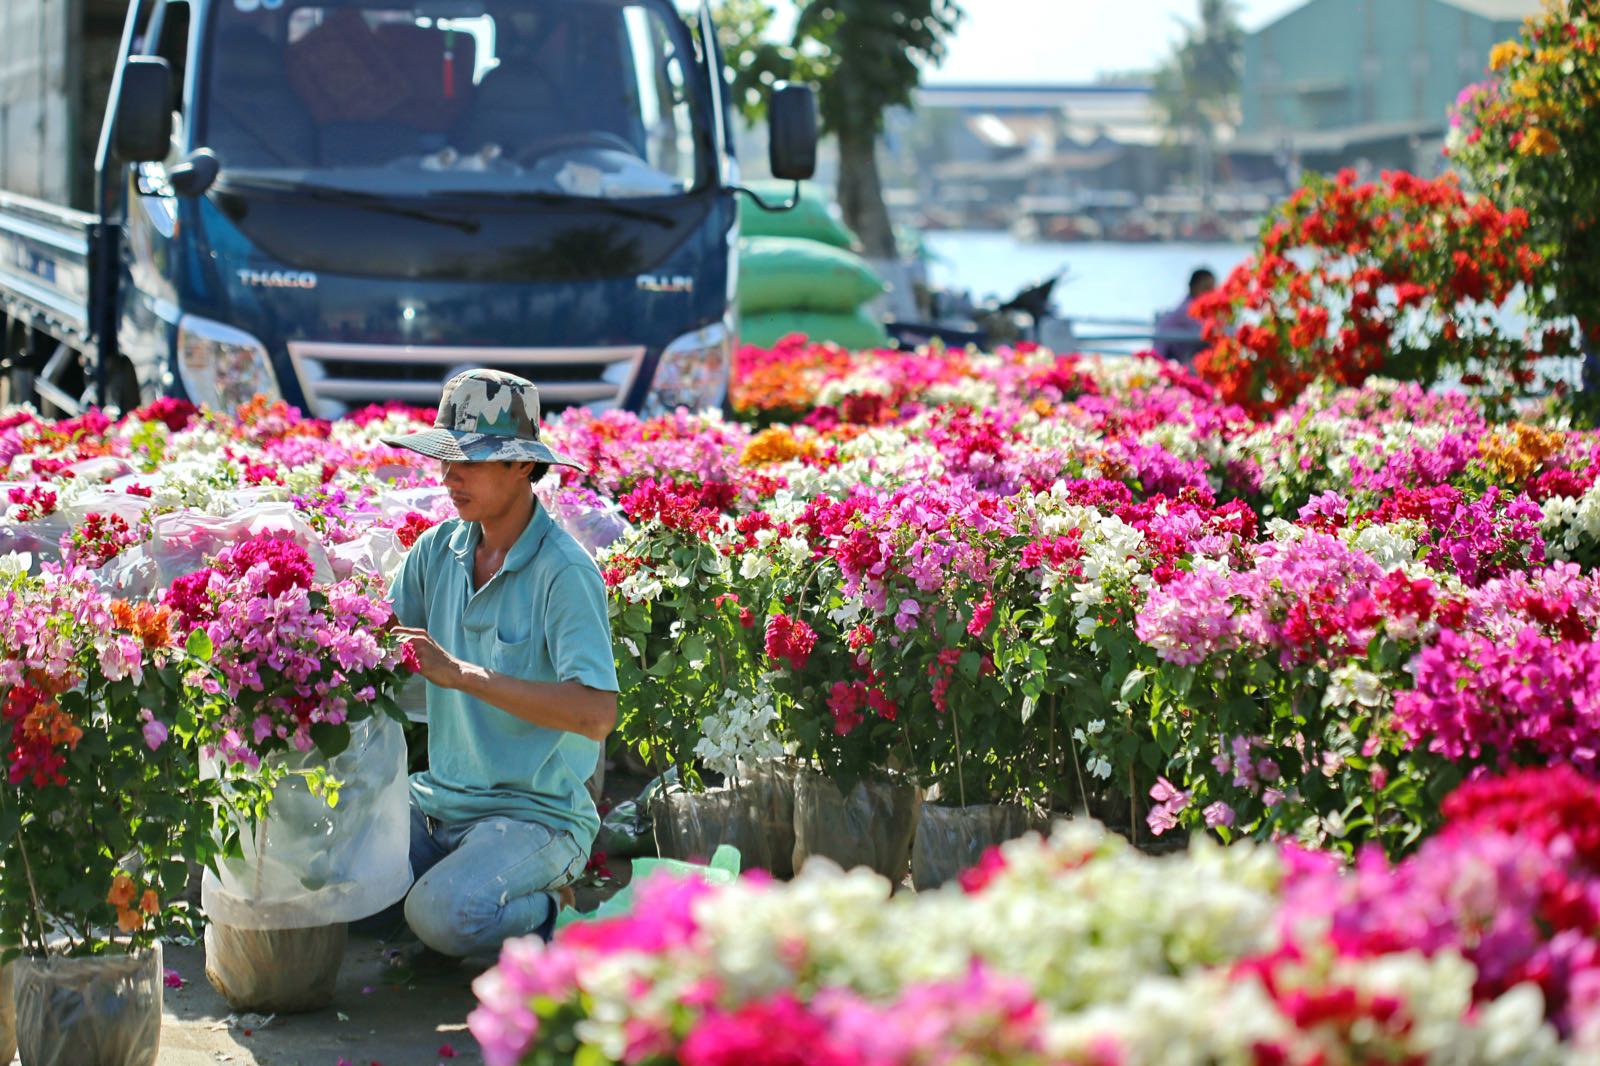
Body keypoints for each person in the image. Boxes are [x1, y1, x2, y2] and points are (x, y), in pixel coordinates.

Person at [381, 368, 618, 966]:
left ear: (521, 466)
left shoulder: (564, 572)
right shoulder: (438, 550)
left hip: (535, 815)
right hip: (439, 802)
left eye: (472, 458)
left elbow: (596, 715)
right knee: (339, 878)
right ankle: (459, 899)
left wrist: (462, 674)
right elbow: (375, 644)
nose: (450, 474)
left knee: (440, 916)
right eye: (446, 457)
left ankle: (554, 910)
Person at [1154, 267, 1217, 365]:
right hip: (1166, 362)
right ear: (1194, 287)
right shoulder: (1188, 310)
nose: (1211, 293)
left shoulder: (1190, 307)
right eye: (1207, 288)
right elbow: (1208, 332)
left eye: (1213, 288)